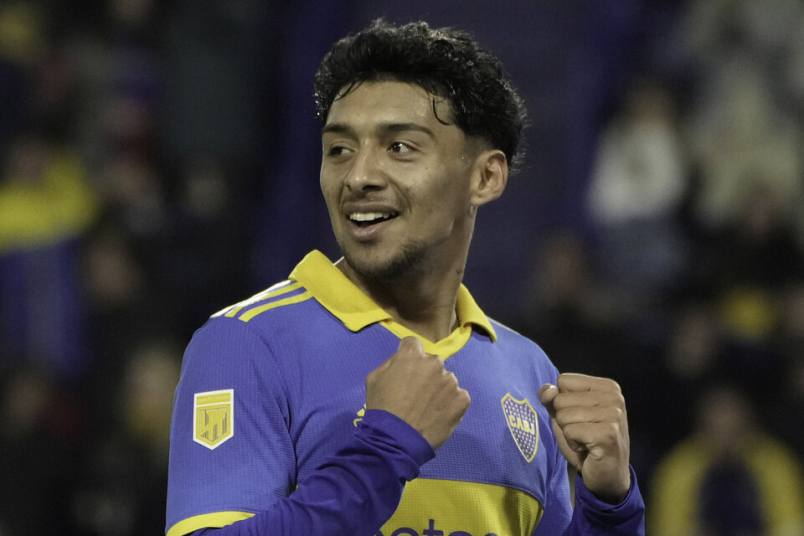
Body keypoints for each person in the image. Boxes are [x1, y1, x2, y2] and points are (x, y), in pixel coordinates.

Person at [165, 19, 645, 536]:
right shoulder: (247, 344)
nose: (358, 177)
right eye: (339, 150)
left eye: (399, 147)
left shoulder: (529, 372)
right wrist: (383, 451)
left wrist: (609, 508)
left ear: (486, 176)